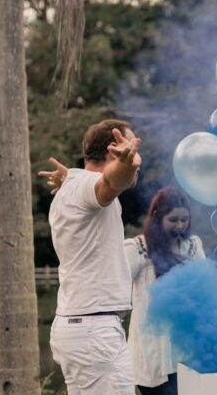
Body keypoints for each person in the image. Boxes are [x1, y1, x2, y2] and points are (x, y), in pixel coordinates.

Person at [40, 172, 217, 395]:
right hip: (152, 359)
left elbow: (211, 292)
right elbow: (107, 283)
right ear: (157, 217)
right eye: (173, 220)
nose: (179, 225)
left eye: (184, 220)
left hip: (188, 355)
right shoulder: (138, 249)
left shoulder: (193, 246)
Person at [45, 119, 141, 395]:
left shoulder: (74, 186)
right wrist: (127, 165)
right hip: (93, 330)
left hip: (84, 327)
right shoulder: (88, 187)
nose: (136, 157)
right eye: (129, 147)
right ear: (113, 151)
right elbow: (110, 183)